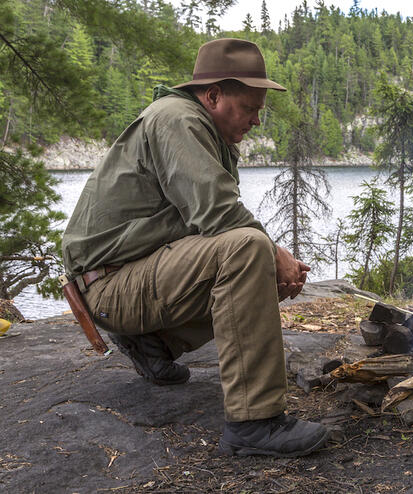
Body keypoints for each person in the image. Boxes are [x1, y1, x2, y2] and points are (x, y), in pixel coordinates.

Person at [61, 39, 327, 457]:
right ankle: (254, 423)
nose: (258, 120)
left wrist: (272, 264)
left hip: (129, 279)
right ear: (214, 95)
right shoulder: (177, 119)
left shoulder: (202, 129)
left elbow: (208, 224)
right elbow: (219, 212)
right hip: (110, 286)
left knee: (254, 264)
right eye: (251, 108)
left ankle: (155, 343)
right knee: (249, 251)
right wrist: (275, 254)